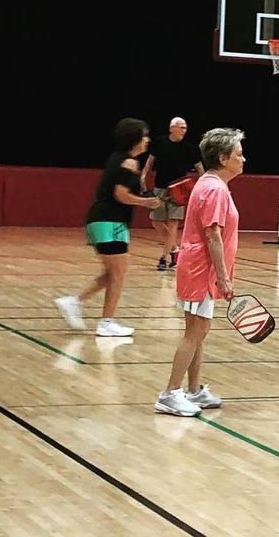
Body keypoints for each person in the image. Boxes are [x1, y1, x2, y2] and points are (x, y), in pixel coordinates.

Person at [154, 128, 245, 417]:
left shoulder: (211, 183)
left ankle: (193, 391)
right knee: (195, 332)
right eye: (239, 155)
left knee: (199, 332)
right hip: (200, 270)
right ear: (223, 158)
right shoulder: (215, 188)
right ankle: (169, 393)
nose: (244, 159)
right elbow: (213, 236)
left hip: (200, 268)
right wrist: (223, 276)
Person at [55, 118, 162, 337]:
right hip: (110, 221)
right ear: (134, 139)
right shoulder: (130, 163)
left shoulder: (117, 159)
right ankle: (106, 323)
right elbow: (120, 194)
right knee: (119, 274)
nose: (147, 139)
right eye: (144, 135)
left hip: (98, 221)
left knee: (111, 273)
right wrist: (146, 203)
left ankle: (73, 302)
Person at [140, 117, 204, 271]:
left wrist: (203, 184)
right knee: (156, 221)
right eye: (181, 127)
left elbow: (199, 167)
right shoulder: (160, 142)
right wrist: (143, 176)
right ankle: (175, 249)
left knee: (173, 223)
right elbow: (150, 161)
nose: (184, 130)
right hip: (160, 187)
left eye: (185, 128)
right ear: (172, 128)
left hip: (179, 190)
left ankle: (163, 258)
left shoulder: (189, 148)